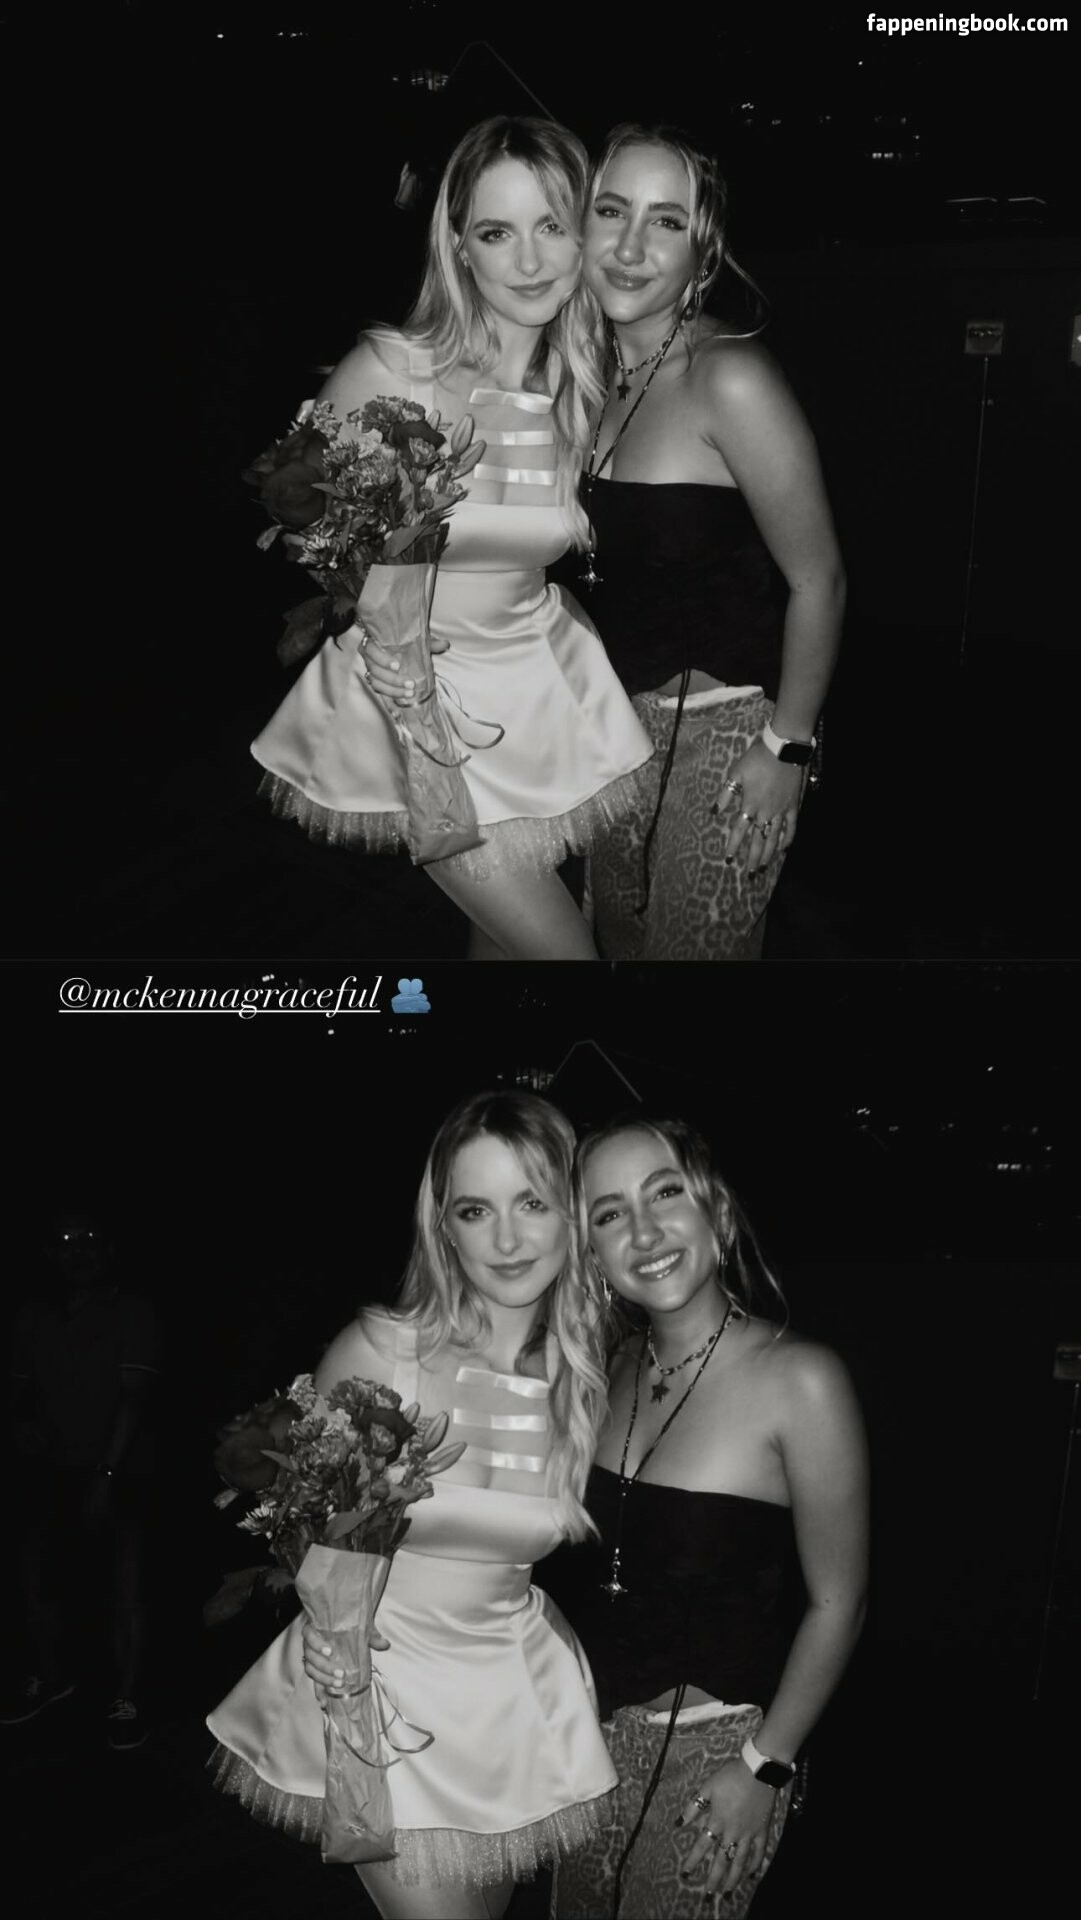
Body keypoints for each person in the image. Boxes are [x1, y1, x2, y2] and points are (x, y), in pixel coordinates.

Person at [207, 1091, 617, 1920]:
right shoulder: (379, 1350)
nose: (507, 1240)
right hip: (379, 1696)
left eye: (533, 1203)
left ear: (573, 1215)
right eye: (475, 1209)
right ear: (443, 1227)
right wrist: (330, 1634)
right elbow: (308, 1531)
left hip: (510, 1706)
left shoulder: (590, 1380)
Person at [251, 117, 653, 960]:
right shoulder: (393, 370)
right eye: (497, 232)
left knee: (501, 950)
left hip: (538, 699)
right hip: (416, 716)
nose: (530, 261)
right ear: (459, 247)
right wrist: (376, 612)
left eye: (552, 226)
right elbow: (305, 524)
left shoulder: (581, 385)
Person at [545, 1115, 869, 1918]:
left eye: (665, 1194)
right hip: (583, 1745)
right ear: (590, 1250)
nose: (643, 1231)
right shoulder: (604, 1370)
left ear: (716, 1212)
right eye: (609, 1213)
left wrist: (765, 1766)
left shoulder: (801, 1379)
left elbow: (839, 1604)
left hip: (720, 1754)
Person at [573, 125, 847, 959]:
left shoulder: (729, 376)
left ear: (704, 249)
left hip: (732, 732)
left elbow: (819, 580)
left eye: (665, 221)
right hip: (610, 730)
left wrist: (786, 747)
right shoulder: (583, 379)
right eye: (610, 210)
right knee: (613, 946)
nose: (629, 247)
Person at [3, 1208, 161, 1750]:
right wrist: (22, 1424)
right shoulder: (33, 1314)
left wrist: (105, 1474)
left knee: (127, 1587)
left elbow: (134, 1398)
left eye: (90, 1239)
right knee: (35, 1579)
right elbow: (19, 1391)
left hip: (123, 1469)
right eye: (66, 1241)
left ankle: (127, 1697)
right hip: (51, 1470)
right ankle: (51, 1677)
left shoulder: (131, 1310)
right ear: (50, 1253)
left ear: (108, 1250)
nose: (78, 1251)